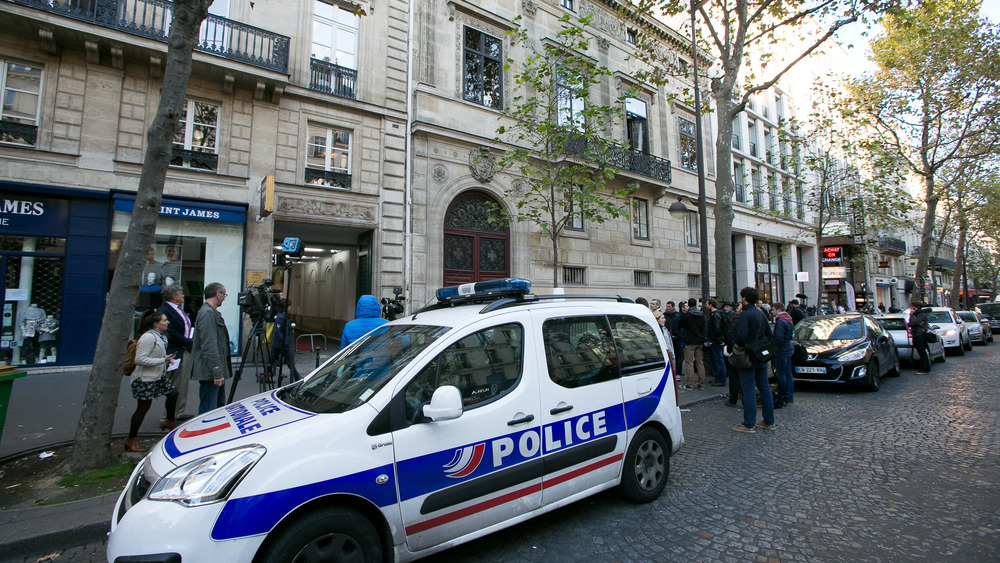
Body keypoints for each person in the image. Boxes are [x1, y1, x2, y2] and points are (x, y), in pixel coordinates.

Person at [125, 310, 178, 452]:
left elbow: (155, 354)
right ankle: (131, 439)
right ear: (156, 324)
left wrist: (166, 359)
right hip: (144, 378)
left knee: (173, 393)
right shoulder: (148, 337)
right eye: (164, 320)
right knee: (143, 408)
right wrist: (163, 360)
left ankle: (170, 420)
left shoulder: (160, 336)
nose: (167, 322)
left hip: (157, 375)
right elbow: (140, 359)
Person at [732, 287, 775, 433]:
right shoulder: (761, 313)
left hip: (749, 355)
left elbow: (740, 337)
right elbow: (769, 334)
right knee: (764, 387)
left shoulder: (745, 315)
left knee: (748, 388)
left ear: (744, 298)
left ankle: (749, 423)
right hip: (761, 355)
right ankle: (769, 421)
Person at [191, 283, 231, 414]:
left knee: (216, 407)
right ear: (218, 294)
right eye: (223, 295)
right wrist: (217, 371)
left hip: (212, 371)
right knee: (209, 410)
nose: (224, 298)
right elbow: (209, 346)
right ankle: (203, 433)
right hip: (210, 372)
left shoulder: (211, 312)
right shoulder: (207, 314)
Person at [158, 285, 193, 421]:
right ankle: (170, 414)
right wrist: (188, 342)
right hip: (176, 350)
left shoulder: (177, 309)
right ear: (174, 296)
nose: (183, 295)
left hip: (183, 348)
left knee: (182, 382)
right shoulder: (165, 310)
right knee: (175, 382)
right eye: (181, 293)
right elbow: (170, 332)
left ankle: (178, 411)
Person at [270, 298, 301, 383]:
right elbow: (277, 331)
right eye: (289, 306)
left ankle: (267, 374)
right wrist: (285, 340)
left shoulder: (283, 316)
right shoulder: (280, 317)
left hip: (281, 343)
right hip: (281, 344)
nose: (290, 307)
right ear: (285, 307)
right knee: (288, 361)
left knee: (274, 359)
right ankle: (297, 376)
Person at [771, 302, 795, 407]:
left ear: (778, 310)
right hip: (788, 348)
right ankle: (789, 395)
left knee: (781, 373)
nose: (771, 312)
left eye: (773, 310)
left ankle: (783, 394)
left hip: (782, 349)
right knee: (788, 373)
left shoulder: (780, 321)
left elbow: (779, 337)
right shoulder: (788, 319)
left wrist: (775, 347)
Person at [678, 298, 706, 389]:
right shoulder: (701, 315)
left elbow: (680, 326)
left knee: (689, 363)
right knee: (700, 362)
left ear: (689, 305)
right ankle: (701, 383)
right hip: (700, 341)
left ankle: (690, 383)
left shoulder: (687, 315)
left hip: (689, 341)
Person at [704, 298, 728, 387]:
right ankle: (719, 377)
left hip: (716, 340)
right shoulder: (716, 314)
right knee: (717, 359)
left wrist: (713, 338)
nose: (706, 306)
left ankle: (721, 378)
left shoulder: (715, 315)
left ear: (711, 304)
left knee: (718, 359)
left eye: (707, 304)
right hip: (716, 340)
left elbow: (716, 328)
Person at [908, 301, 931, 375]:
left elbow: (912, 323)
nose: (911, 309)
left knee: (922, 353)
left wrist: (911, 316)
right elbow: (910, 323)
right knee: (921, 352)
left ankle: (924, 369)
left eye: (912, 307)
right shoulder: (917, 315)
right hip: (916, 334)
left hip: (920, 335)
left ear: (917, 307)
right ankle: (925, 368)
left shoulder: (922, 315)